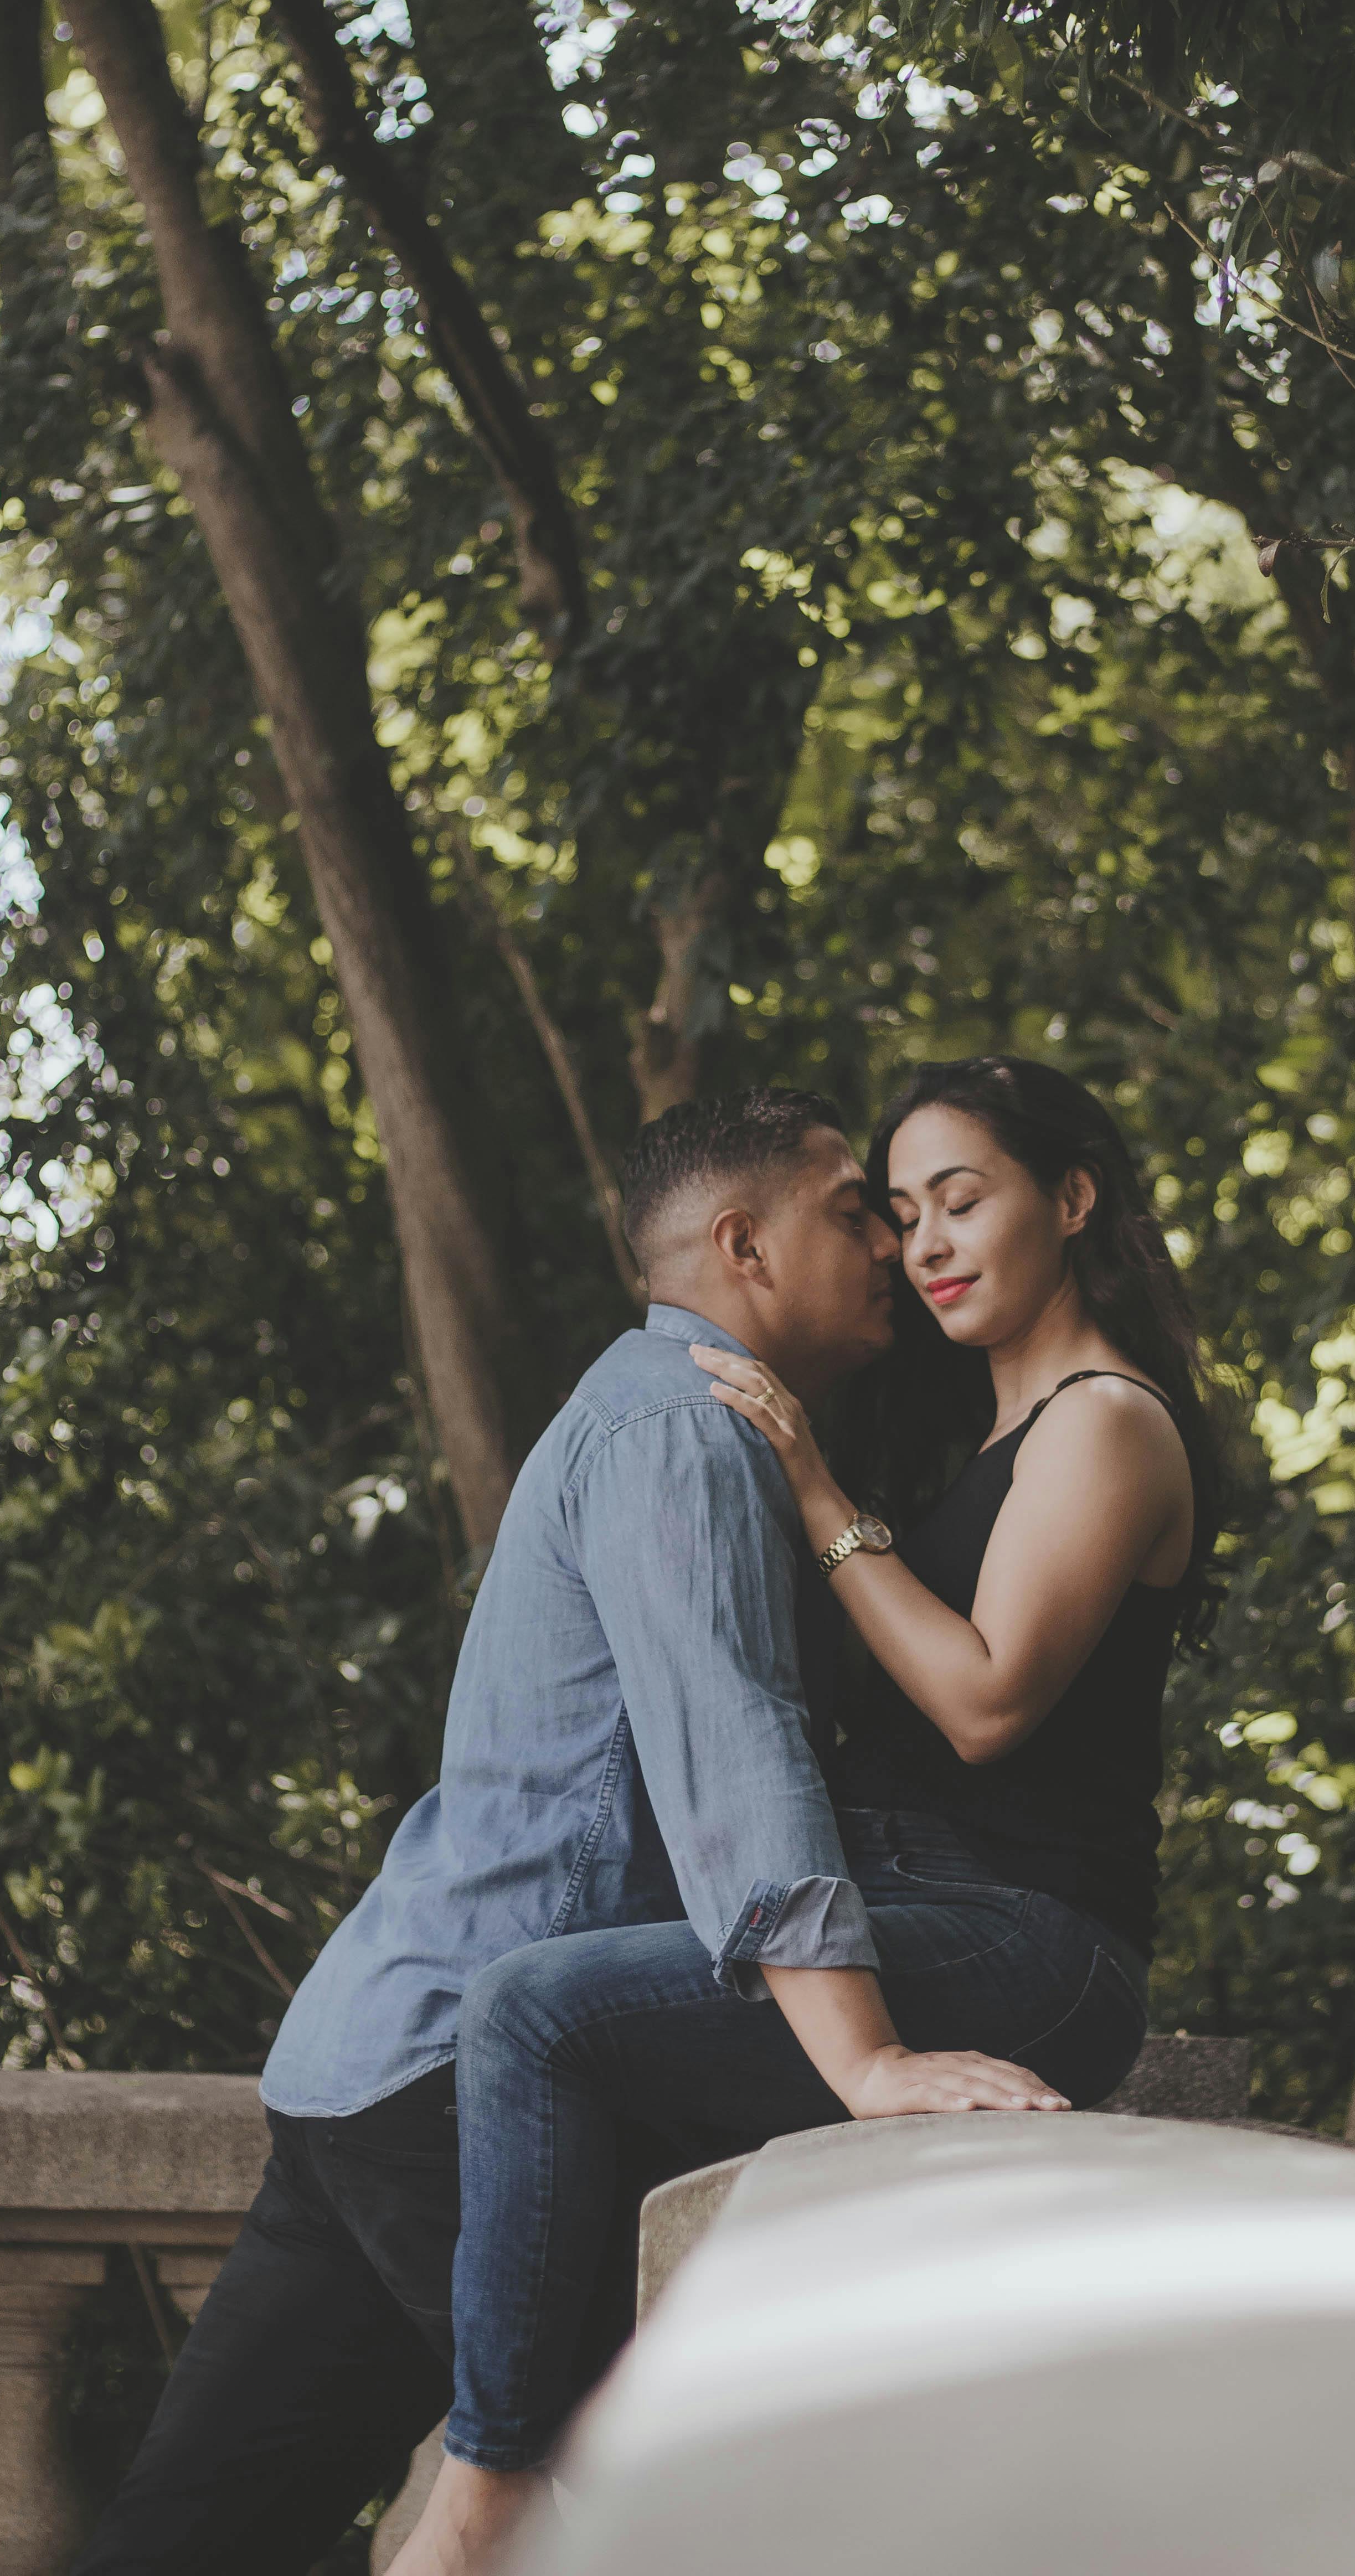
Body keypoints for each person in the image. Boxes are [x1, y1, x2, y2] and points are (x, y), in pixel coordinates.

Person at [71, 1088, 1054, 2576]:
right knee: (690, 2529)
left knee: (187, 2540)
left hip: (365, 2058)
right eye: (853, 1206)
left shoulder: (662, 1410)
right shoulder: (683, 1429)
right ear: (745, 1244)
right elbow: (737, 1749)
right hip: (452, 2091)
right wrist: (867, 2055)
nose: (889, 1240)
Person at [395, 1055, 1224, 2576]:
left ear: (1076, 1198)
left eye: (963, 1201)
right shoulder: (970, 1440)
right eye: (901, 1216)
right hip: (915, 1910)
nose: (928, 1247)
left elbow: (984, 1702)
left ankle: (494, 2488)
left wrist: (813, 1486)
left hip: (1035, 1942)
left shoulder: (1106, 1424)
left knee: (531, 2017)